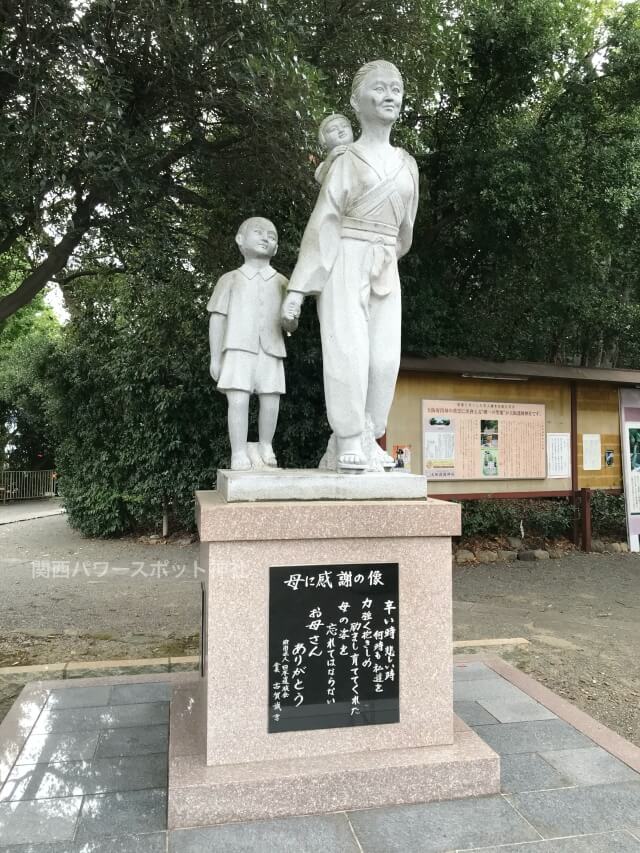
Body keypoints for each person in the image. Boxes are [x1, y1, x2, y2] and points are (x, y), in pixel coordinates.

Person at [282, 60, 419, 471]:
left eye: (396, 87)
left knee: (384, 359)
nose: (390, 95)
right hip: (345, 258)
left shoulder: (408, 164)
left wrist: (382, 258)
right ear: (357, 101)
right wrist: (297, 291)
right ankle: (346, 438)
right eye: (379, 88)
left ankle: (369, 431)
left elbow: (404, 233)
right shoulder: (346, 159)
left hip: (384, 266)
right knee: (349, 351)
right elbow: (323, 222)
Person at [209, 217, 295, 471]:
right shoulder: (230, 279)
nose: (265, 238)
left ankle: (266, 444)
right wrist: (215, 356)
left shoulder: (283, 282)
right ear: (240, 239)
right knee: (238, 401)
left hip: (271, 349)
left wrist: (291, 318)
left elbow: (290, 326)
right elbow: (217, 317)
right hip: (237, 348)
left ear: (276, 248)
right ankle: (238, 452)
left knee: (271, 400)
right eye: (258, 232)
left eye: (272, 235)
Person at [314, 113, 354, 185]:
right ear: (323, 140)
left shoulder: (364, 151)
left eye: (345, 126)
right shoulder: (324, 166)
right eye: (333, 129)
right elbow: (321, 179)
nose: (341, 130)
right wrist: (330, 159)